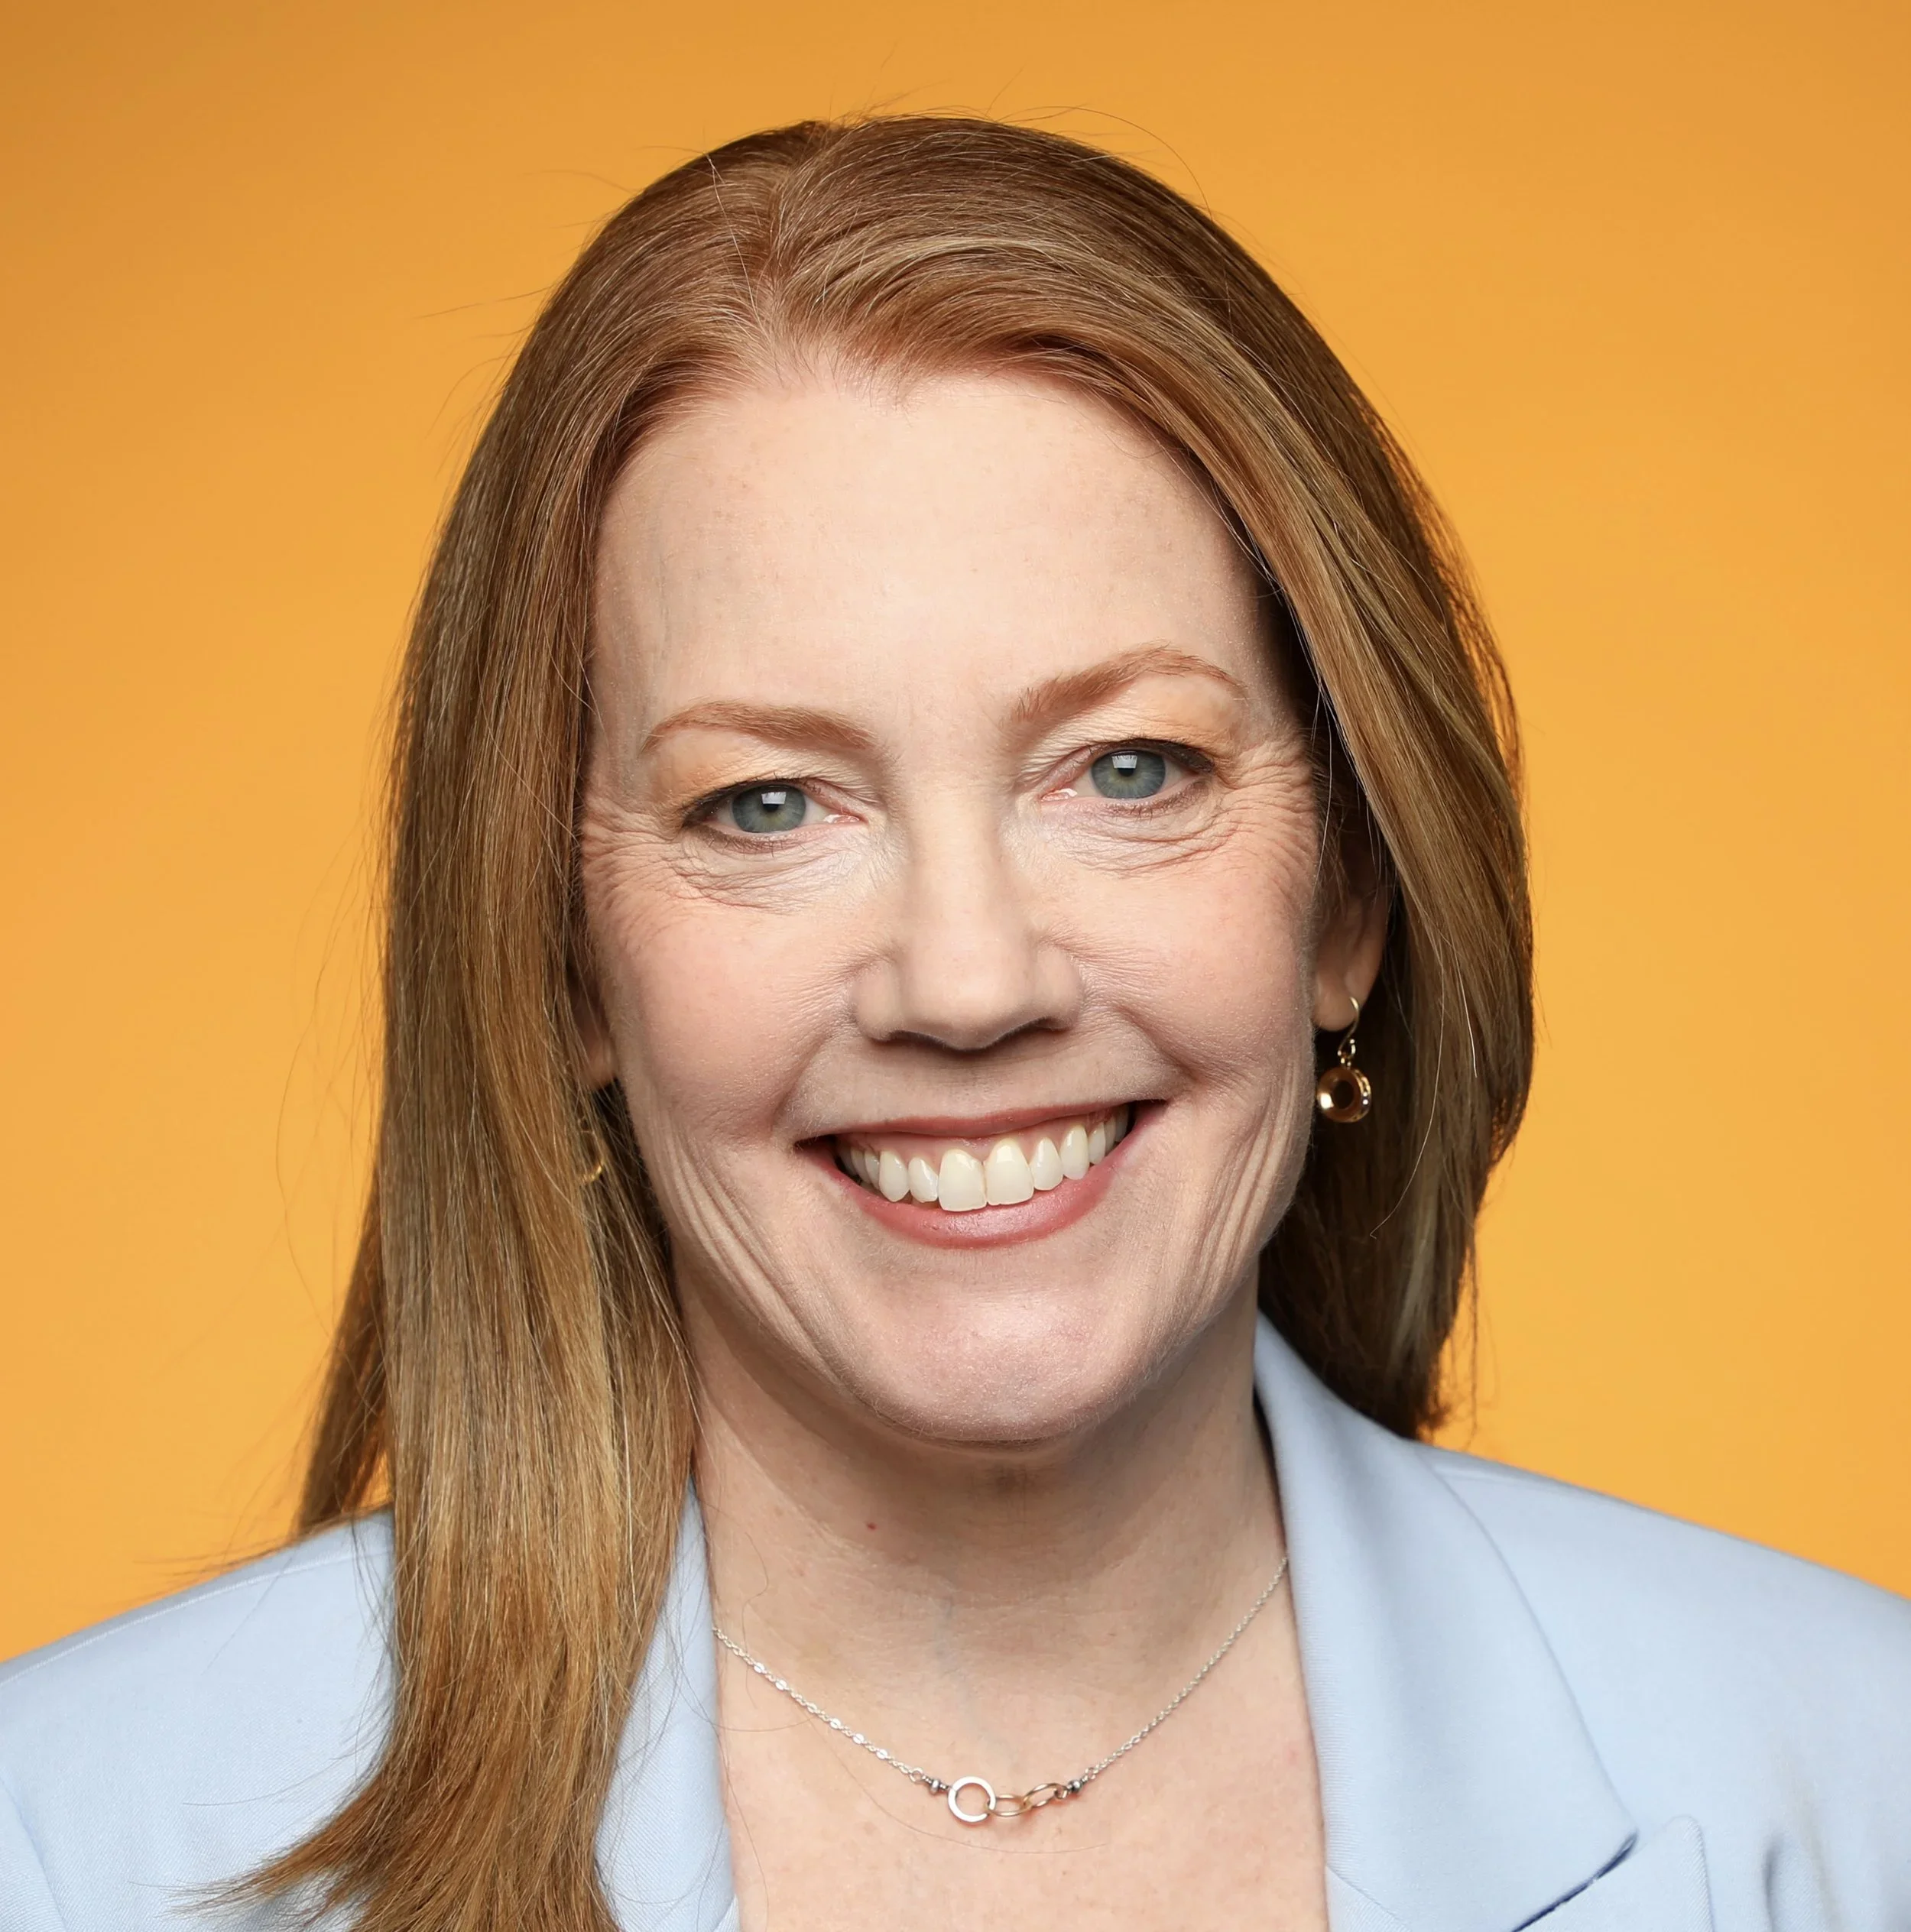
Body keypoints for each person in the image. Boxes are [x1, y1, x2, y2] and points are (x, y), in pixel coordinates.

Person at [1, 115, 1905, 1932]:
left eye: (1129, 769)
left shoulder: (1855, 1779)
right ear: (566, 966)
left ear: (1347, 901)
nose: (972, 984)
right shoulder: (71, 1843)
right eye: (766, 804)